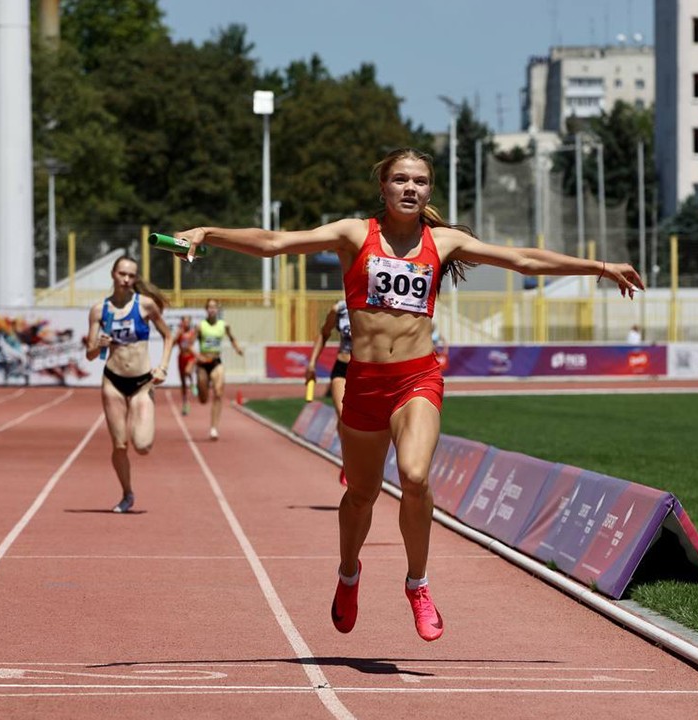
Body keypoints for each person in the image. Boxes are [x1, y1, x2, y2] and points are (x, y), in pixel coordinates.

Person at [174, 147, 643, 642]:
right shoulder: (355, 234)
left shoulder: (443, 242)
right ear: (384, 187)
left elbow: (522, 259)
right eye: (400, 179)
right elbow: (273, 243)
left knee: (415, 476)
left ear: (429, 190)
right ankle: (349, 573)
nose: (410, 188)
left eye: (419, 181)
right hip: (364, 383)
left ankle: (417, 584)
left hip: (416, 378)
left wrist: (599, 266)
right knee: (361, 495)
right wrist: (208, 232)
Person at [85, 256, 172, 513]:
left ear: (136, 279)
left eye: (131, 276)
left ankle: (141, 411)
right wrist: (97, 345)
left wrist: (163, 366)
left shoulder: (145, 305)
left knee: (143, 446)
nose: (126, 279)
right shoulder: (99, 311)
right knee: (120, 445)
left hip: (143, 382)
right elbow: (89, 354)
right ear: (113, 274)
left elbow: (168, 336)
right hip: (112, 380)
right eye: (122, 274)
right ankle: (127, 493)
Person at [306, 298, 352, 486]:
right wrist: (311, 364)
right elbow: (324, 334)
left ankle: (357, 460)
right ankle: (348, 461)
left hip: (365, 371)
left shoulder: (373, 304)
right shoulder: (339, 309)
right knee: (343, 415)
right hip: (341, 368)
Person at [194, 298, 243, 440]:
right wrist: (198, 356)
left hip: (216, 362)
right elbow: (188, 344)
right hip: (203, 364)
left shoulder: (224, 325)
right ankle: (202, 392)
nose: (212, 310)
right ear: (206, 309)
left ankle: (214, 428)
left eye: (214, 307)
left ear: (218, 309)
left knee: (218, 392)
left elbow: (231, 337)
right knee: (203, 399)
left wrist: (237, 348)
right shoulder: (200, 326)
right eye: (209, 307)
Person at [173, 315, 198, 415]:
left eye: (188, 322)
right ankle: (185, 403)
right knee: (183, 383)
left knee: (188, 372)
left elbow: (192, 342)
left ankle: (192, 384)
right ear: (182, 323)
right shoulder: (180, 333)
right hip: (181, 358)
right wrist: (177, 335)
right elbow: (173, 344)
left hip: (190, 357)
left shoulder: (192, 333)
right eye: (184, 322)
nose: (186, 323)